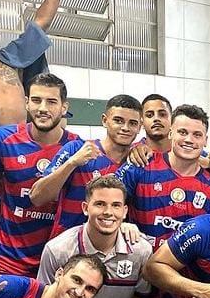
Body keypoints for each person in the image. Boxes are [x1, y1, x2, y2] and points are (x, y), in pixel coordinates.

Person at [0, 73, 80, 276]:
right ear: (27, 103)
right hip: (9, 259)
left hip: (56, 261)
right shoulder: (5, 138)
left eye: (51, 102)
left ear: (64, 107)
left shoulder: (77, 147)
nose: (43, 108)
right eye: (36, 100)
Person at [31, 94, 143, 235]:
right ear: (104, 120)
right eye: (118, 121)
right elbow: (37, 197)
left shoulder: (138, 161)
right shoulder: (76, 149)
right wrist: (71, 163)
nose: (125, 128)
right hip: (69, 245)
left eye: (132, 123)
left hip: (111, 246)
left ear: (140, 127)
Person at [116, 104, 210, 247]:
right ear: (171, 133)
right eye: (182, 132)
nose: (189, 140)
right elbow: (106, 196)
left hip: (184, 262)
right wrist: (121, 224)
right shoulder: (141, 164)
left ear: (205, 140)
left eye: (197, 135)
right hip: (140, 259)